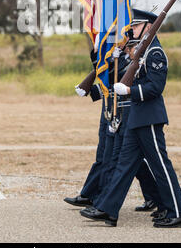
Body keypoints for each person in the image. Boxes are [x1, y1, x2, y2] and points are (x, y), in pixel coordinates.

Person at [80, 9, 181, 228]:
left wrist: (130, 91)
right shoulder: (141, 51)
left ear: (149, 27)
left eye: (136, 26)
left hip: (149, 117)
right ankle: (108, 210)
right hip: (137, 118)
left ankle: (179, 212)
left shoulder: (155, 53)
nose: (131, 29)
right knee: (124, 165)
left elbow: (156, 88)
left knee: (161, 166)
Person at [64, 37, 163, 214]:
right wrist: (97, 53)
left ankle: (101, 199)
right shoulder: (119, 58)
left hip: (126, 111)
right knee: (112, 156)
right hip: (112, 110)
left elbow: (120, 83)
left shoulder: (134, 59)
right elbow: (106, 77)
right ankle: (97, 196)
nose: (121, 46)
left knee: (122, 158)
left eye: (125, 43)